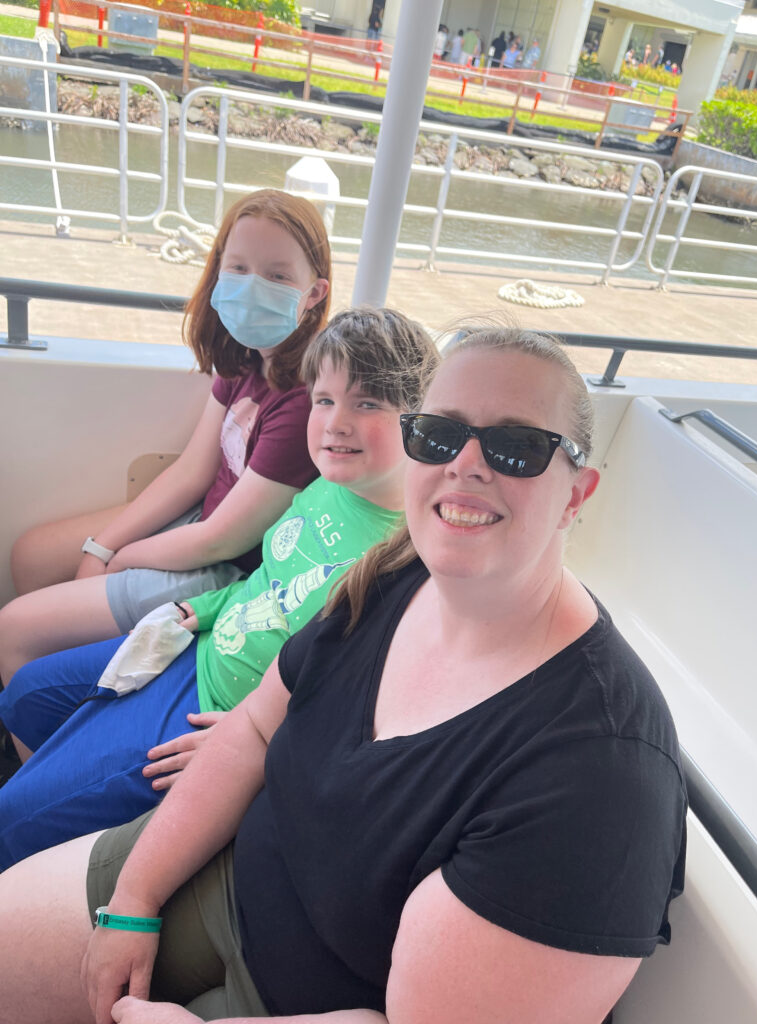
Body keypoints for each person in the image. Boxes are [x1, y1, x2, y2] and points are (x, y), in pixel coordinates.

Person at [0, 326, 687, 1024]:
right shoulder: (392, 575)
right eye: (439, 436)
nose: (466, 465)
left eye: (517, 447)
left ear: (578, 493)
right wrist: (135, 904)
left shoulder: (602, 774)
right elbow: (253, 732)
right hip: (227, 876)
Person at [0, 307, 439, 868]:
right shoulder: (331, 486)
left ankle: (57, 854)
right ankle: (75, 825)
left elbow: (369, 709)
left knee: (15, 817)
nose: (335, 423)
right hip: (200, 645)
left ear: (419, 417)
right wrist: (200, 608)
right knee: (26, 697)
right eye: (324, 400)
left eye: (368, 403)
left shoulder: (402, 557)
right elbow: (267, 583)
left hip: (218, 711)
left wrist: (252, 742)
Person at [0, 190, 332, 715]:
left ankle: (46, 752)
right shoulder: (246, 359)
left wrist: (117, 558)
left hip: (227, 571)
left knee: (13, 630)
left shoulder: (301, 401)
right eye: (239, 267)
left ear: (313, 294)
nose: (252, 287)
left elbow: (226, 539)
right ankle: (69, 688)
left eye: (277, 276)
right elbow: (192, 471)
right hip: (197, 523)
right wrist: (103, 547)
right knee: (33, 553)